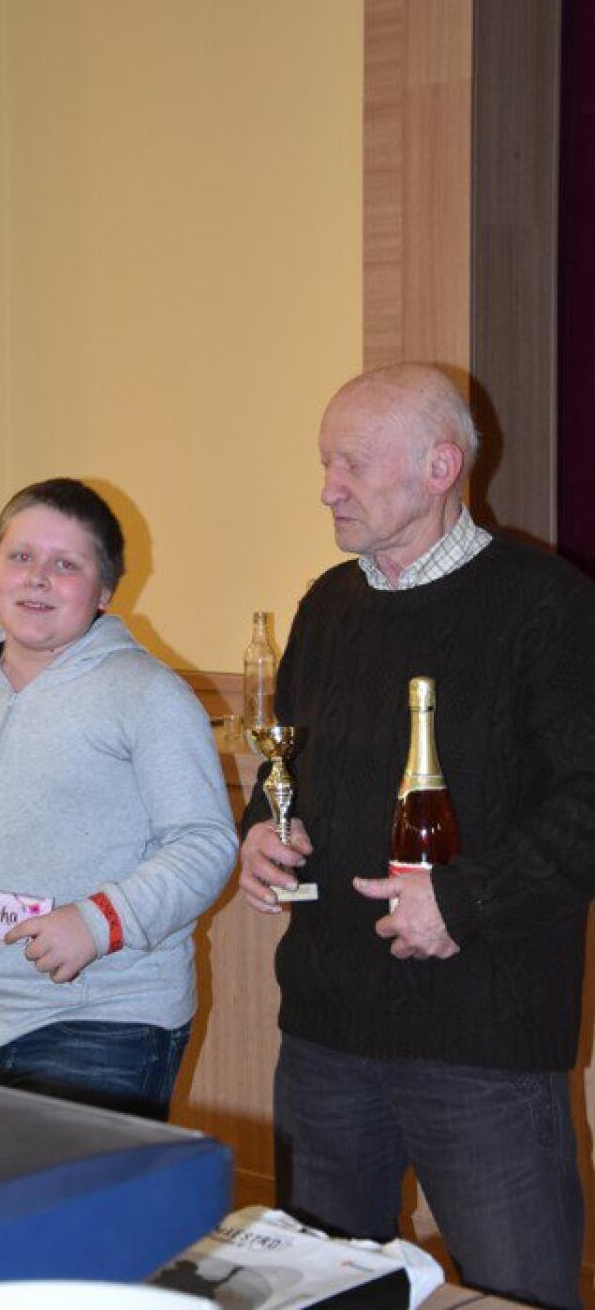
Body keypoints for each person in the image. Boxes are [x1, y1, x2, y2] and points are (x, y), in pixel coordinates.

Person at [239, 363, 595, 1310]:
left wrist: (462, 903)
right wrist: (261, 831)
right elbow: (288, 768)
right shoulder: (326, 605)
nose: (327, 488)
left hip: (482, 1040)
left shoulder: (548, 605)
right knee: (316, 1295)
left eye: (350, 464)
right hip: (324, 1031)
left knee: (517, 1297)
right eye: (324, 462)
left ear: (440, 468)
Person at [0, 477, 237, 1118]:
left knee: (74, 1190)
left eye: (66, 565)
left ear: (104, 591)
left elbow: (205, 844)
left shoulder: (148, 694)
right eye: (20, 556)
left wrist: (98, 922)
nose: (37, 577)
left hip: (111, 1020)